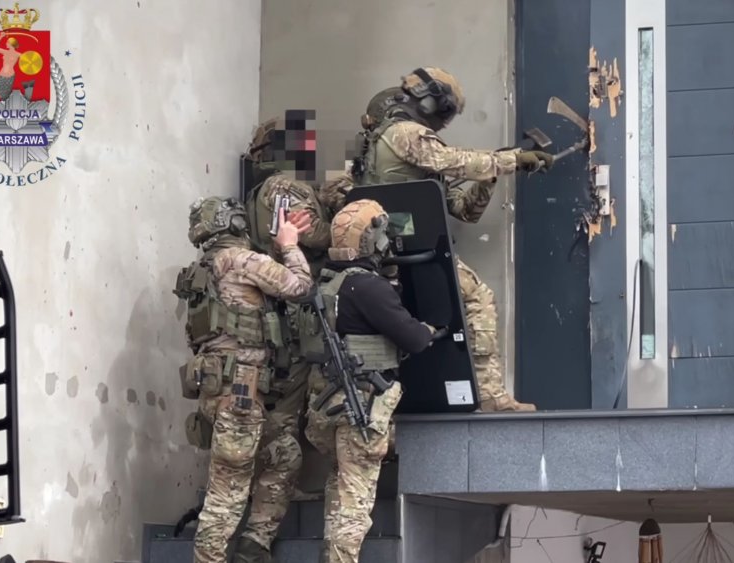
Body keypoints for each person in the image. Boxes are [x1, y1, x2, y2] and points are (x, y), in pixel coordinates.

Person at [351, 68, 554, 412]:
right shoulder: (404, 133)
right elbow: (454, 161)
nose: (443, 122)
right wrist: (509, 160)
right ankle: (490, 396)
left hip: (398, 248)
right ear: (431, 102)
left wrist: (490, 175)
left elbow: (463, 209)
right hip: (401, 248)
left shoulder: (394, 143)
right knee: (478, 297)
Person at [173, 195, 314, 563]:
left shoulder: (204, 269)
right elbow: (301, 288)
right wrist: (289, 246)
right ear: (234, 222)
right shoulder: (239, 260)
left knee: (284, 455)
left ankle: (253, 546)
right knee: (227, 493)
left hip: (224, 390)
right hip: (239, 394)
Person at [302, 199, 437, 563]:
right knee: (355, 505)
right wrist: (427, 329)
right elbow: (414, 339)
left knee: (340, 486)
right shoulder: (368, 287)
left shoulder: (327, 282)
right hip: (358, 407)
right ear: (371, 240)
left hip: (326, 406)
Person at [0, 32, 34, 101]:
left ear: (11, 44)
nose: (6, 44)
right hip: (1, 75)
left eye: (7, 42)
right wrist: (0, 37)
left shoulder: (18, 54)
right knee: (1, 94)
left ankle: (28, 89)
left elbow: (29, 59)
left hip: (10, 76)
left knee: (6, 95)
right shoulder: (5, 52)